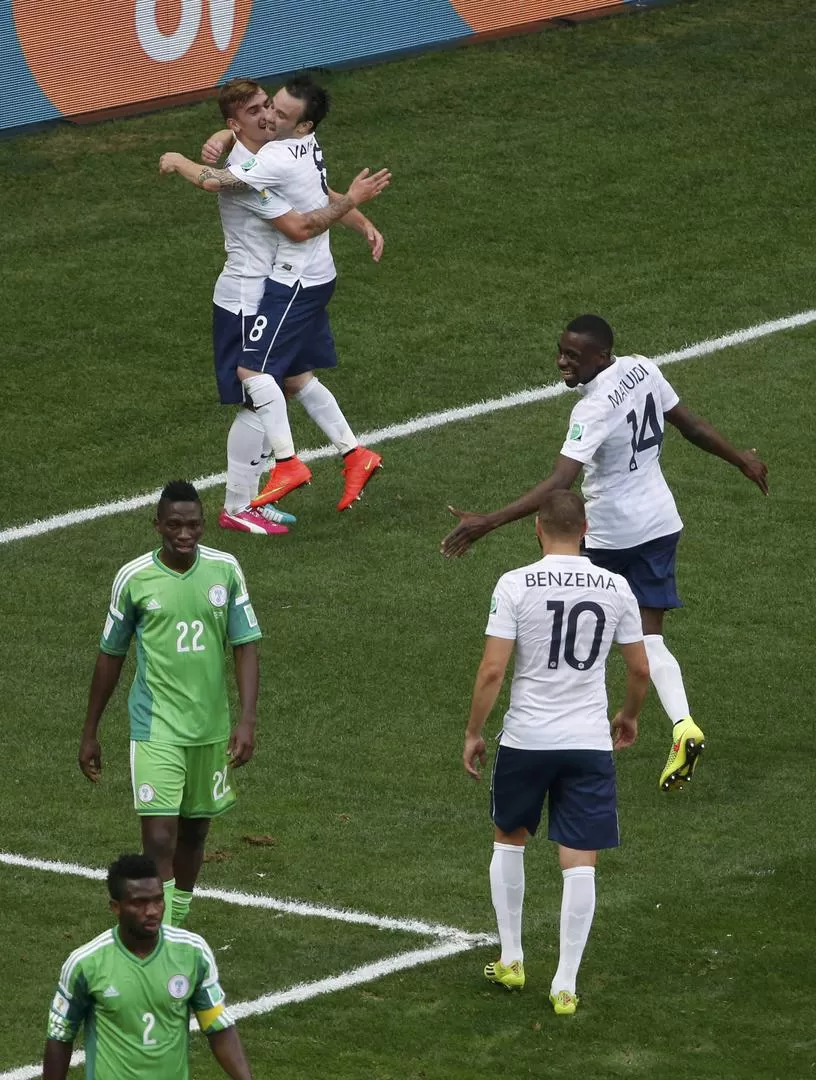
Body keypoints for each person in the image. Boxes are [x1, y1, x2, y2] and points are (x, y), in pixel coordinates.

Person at [444, 314, 770, 791]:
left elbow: (560, 484)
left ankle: (565, 729)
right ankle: (683, 726)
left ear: (601, 356)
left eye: (573, 356)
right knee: (648, 636)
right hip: (660, 522)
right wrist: (740, 458)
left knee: (579, 622)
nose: (561, 361)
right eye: (560, 351)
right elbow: (691, 426)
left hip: (612, 534)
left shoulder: (592, 410)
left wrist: (486, 522)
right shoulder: (642, 368)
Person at [159, 78, 389, 534]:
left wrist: (359, 219)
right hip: (247, 295)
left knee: (291, 381)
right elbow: (298, 226)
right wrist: (183, 158)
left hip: (276, 288)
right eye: (256, 113)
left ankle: (342, 458)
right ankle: (239, 504)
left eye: (271, 108)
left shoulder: (285, 148)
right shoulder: (255, 172)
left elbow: (315, 194)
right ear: (235, 123)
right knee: (257, 394)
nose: (267, 117)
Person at [463, 490, 650, 1015]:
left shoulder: (514, 583)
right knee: (579, 860)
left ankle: (513, 957)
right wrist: (629, 715)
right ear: (586, 527)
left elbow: (493, 670)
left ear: (537, 529)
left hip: (527, 738)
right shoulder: (617, 587)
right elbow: (639, 668)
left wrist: (474, 731)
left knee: (510, 838)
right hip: (588, 742)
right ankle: (565, 984)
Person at [79, 480, 262, 927]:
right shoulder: (134, 578)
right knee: (160, 839)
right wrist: (91, 732)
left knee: (195, 833)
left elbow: (245, 646)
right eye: (175, 524)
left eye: (194, 524)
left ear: (204, 524)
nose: (185, 533)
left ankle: (177, 922)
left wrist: (247, 720)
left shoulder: (225, 570)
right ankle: (163, 933)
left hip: (210, 729)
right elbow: (111, 655)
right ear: (157, 524)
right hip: (155, 728)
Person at [43, 853, 252, 1079]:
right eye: (139, 903)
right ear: (115, 907)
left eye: (157, 899)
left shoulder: (192, 953)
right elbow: (60, 1035)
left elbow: (218, 1025)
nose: (152, 911)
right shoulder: (86, 964)